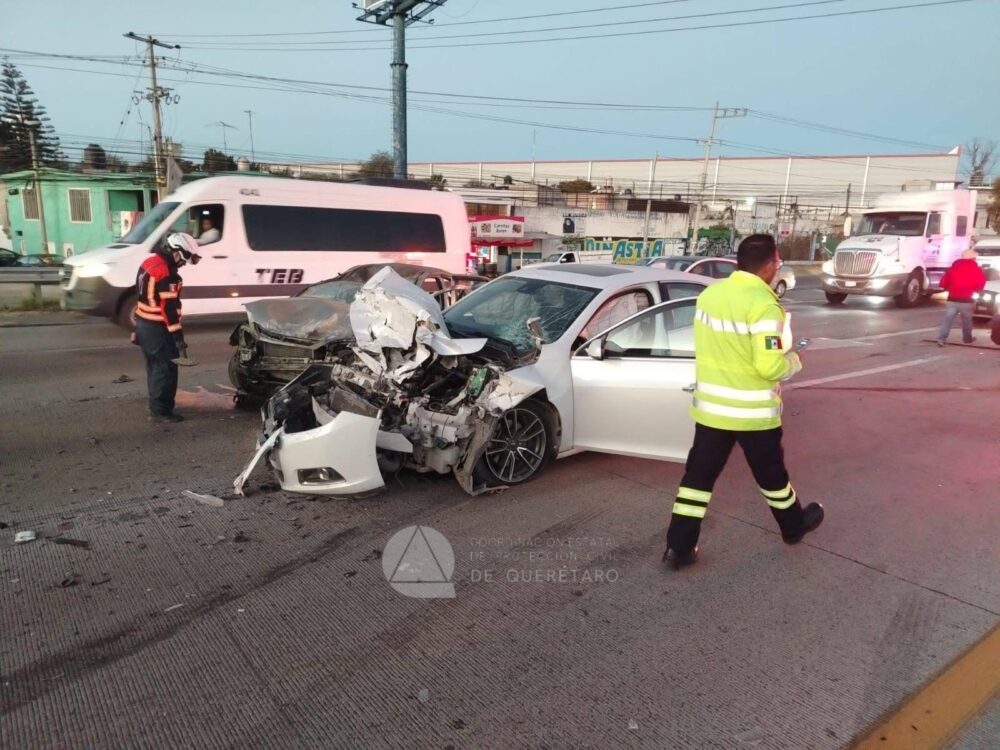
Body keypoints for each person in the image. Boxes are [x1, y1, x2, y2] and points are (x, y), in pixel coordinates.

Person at [663, 234, 824, 569]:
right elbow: (769, 367)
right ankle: (793, 527)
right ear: (769, 265)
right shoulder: (764, 305)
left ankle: (679, 548)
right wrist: (795, 359)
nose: (777, 268)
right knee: (772, 478)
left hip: (712, 411)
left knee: (696, 481)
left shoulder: (710, 295)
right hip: (753, 414)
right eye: (777, 262)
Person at [134, 233, 200, 423]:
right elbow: (168, 309)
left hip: (144, 325)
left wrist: (137, 328)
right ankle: (161, 412)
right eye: (184, 259)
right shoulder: (167, 274)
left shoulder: (149, 262)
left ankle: (156, 405)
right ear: (176, 251)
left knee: (154, 367)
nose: (184, 264)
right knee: (165, 369)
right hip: (158, 328)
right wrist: (178, 336)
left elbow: (140, 295)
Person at [937, 248, 986, 346]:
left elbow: (943, 282)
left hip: (952, 299)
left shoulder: (953, 268)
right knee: (967, 321)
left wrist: (949, 289)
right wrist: (975, 290)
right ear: (973, 258)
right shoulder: (977, 269)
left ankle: (941, 339)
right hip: (967, 299)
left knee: (948, 320)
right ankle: (967, 339)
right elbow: (980, 284)